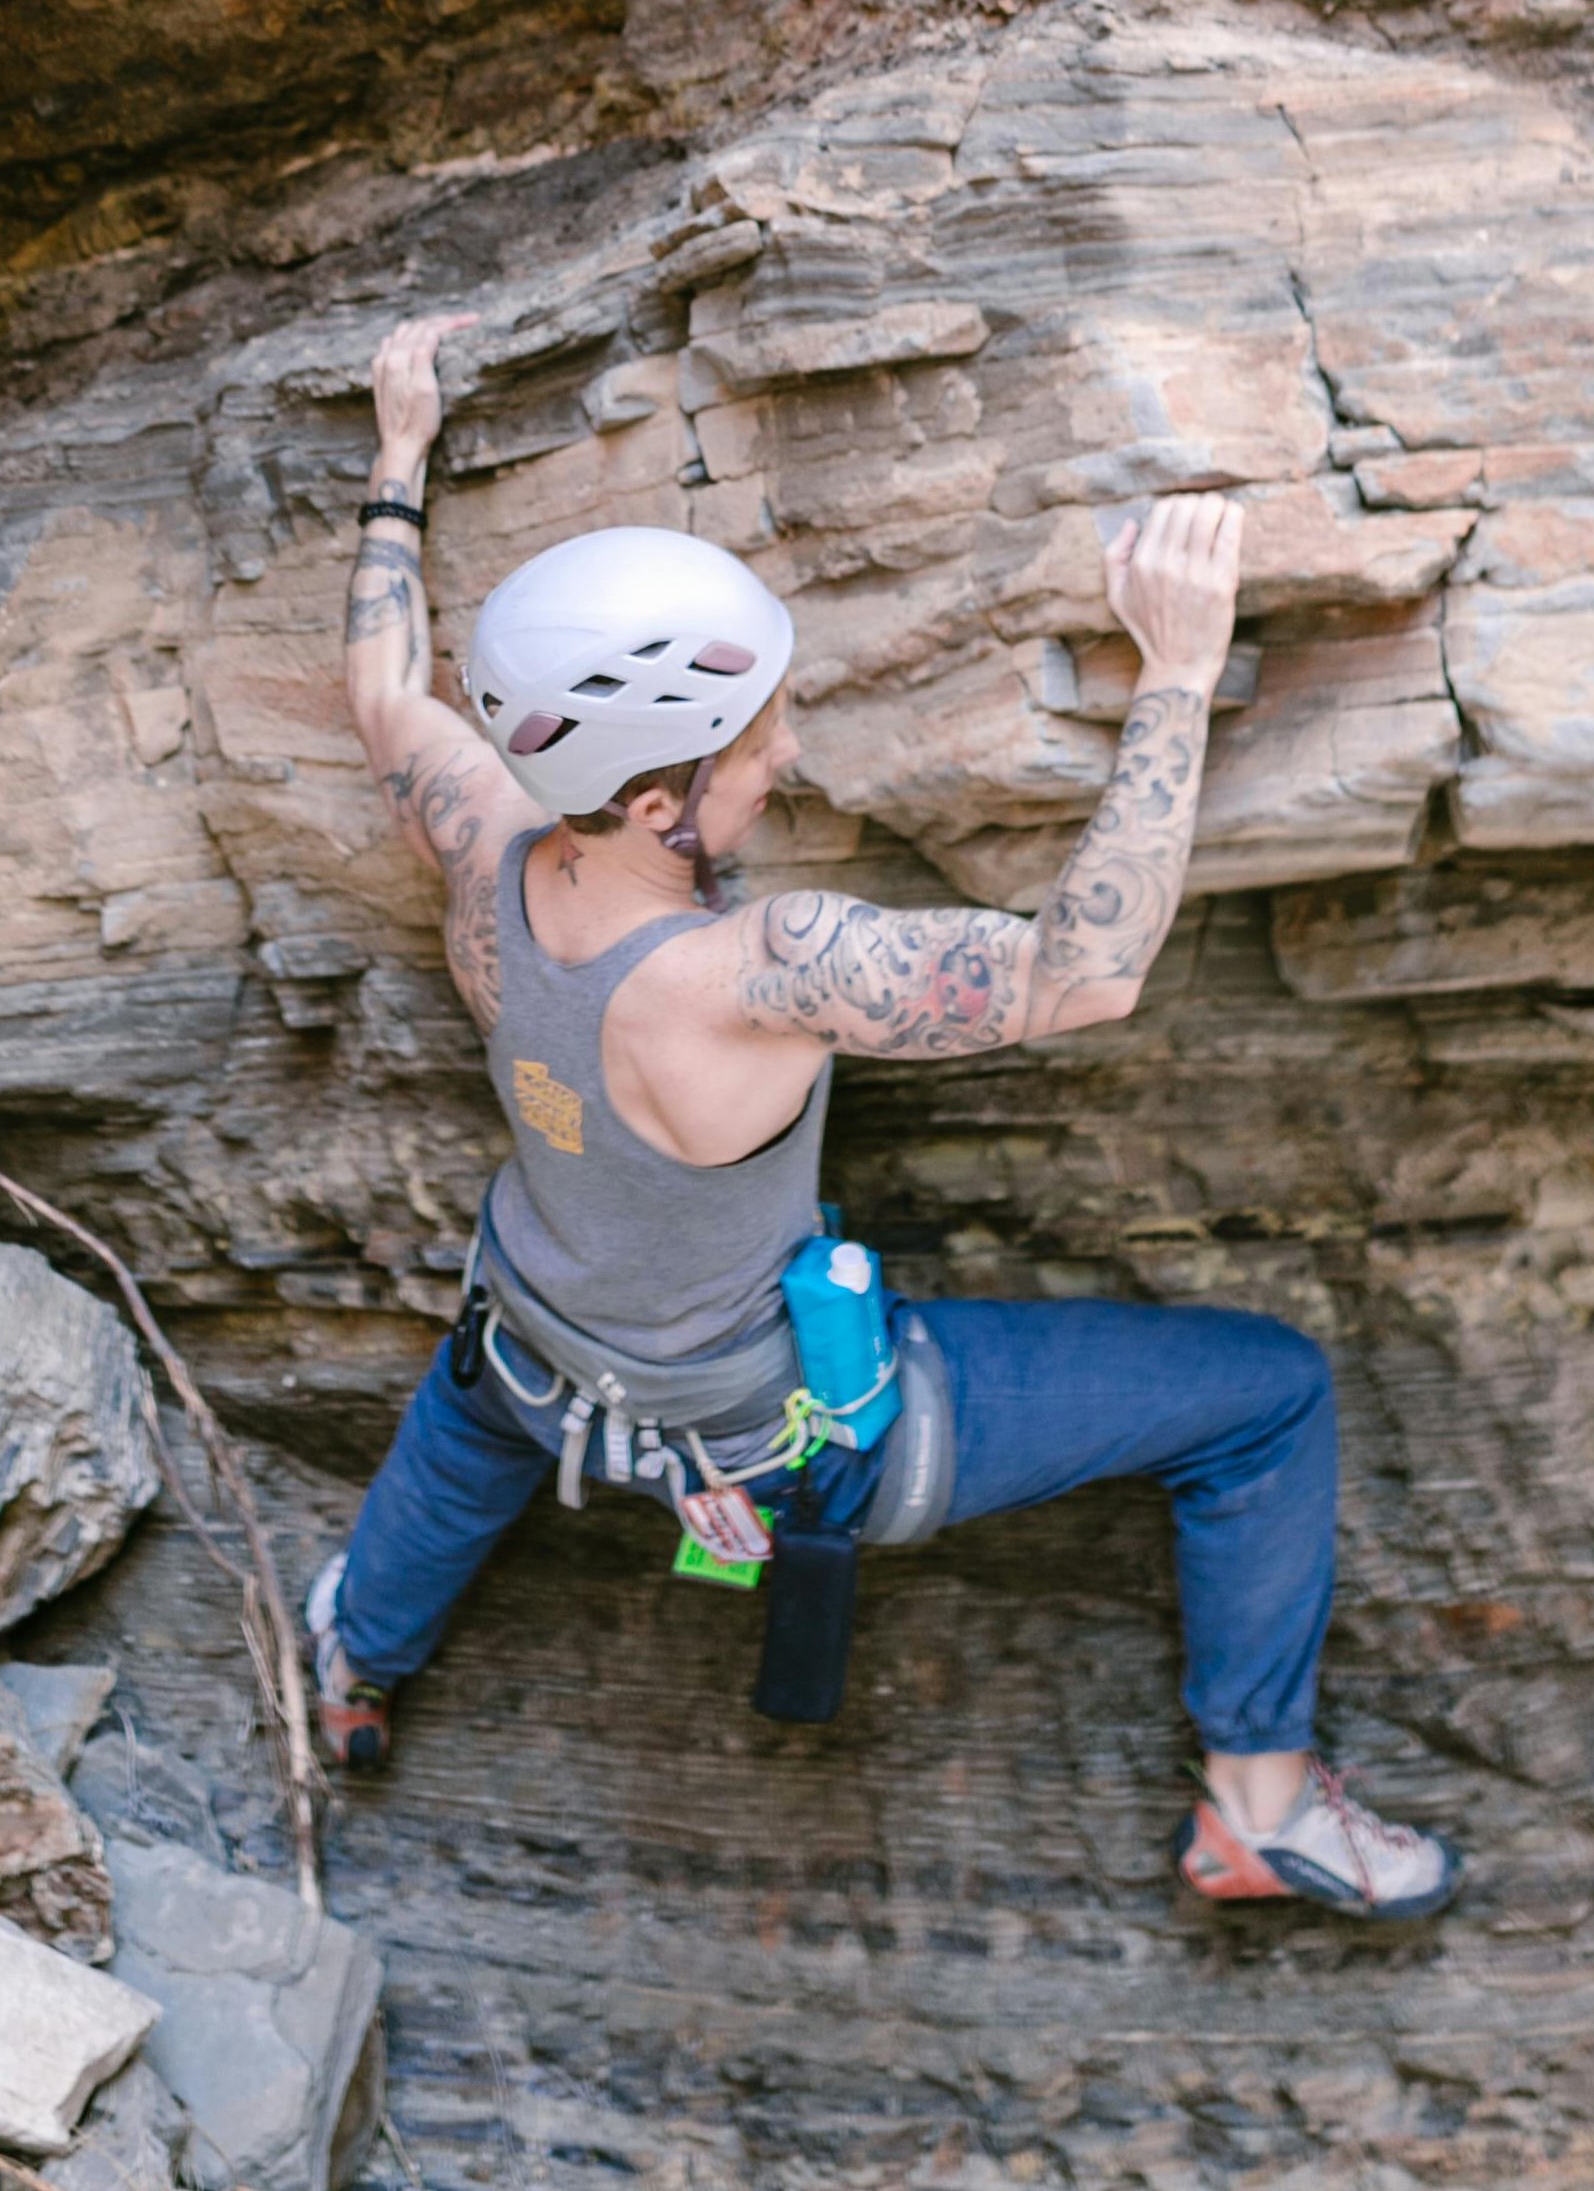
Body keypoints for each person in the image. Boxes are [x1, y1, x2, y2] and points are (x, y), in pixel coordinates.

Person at [309, 312, 1463, 1921]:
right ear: (658, 802)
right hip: (778, 1451)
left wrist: (398, 455)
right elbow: (1083, 977)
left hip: (528, 1352)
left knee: (459, 1452)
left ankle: (352, 1664)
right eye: (753, 740)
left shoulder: (484, 836)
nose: (788, 748)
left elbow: (379, 687)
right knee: (1268, 1395)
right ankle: (1258, 1807)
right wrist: (1180, 675)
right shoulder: (759, 969)